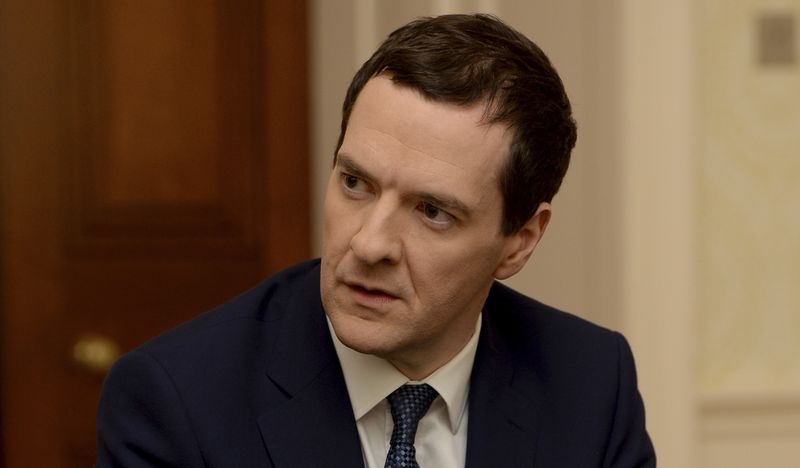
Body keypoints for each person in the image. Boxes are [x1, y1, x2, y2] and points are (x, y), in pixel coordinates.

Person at [96, 13, 655, 468]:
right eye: (355, 183)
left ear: (519, 242)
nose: (369, 245)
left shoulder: (590, 383)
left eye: (433, 211)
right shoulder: (178, 400)